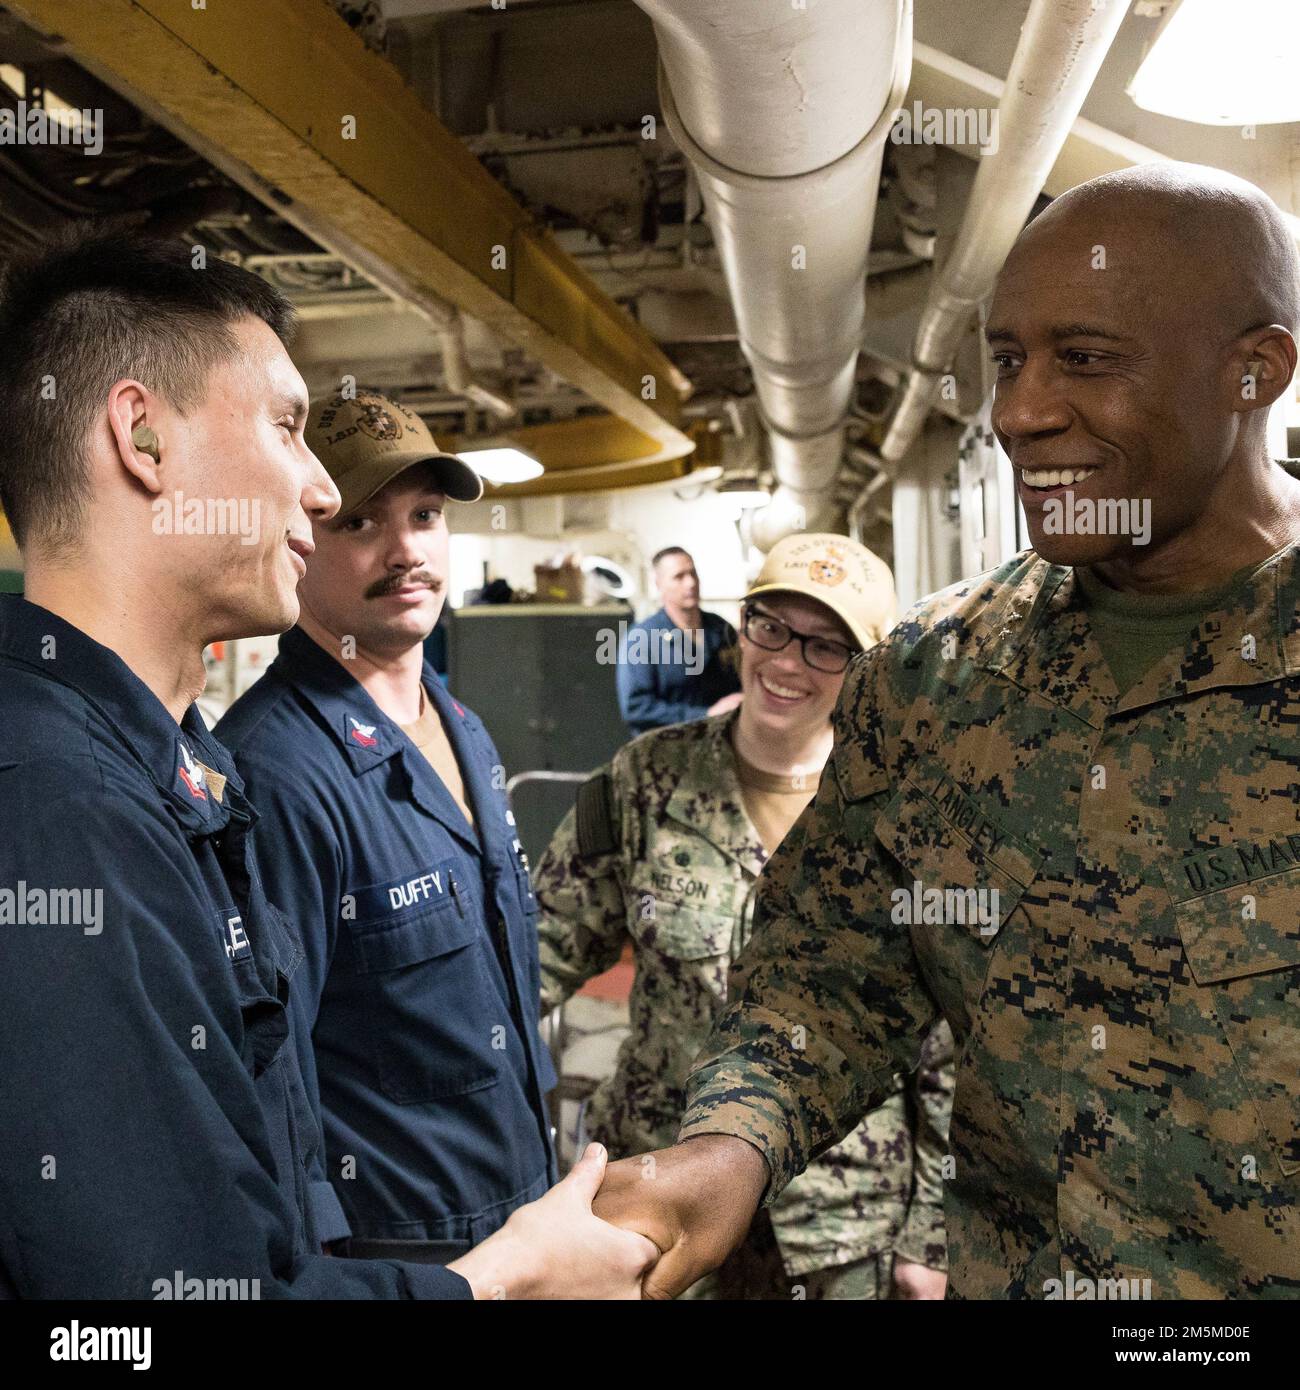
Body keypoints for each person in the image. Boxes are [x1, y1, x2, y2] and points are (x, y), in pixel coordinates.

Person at [587, 162, 1300, 1300]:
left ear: (1253, 370)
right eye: (1007, 360)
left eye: (1086, 358)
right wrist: (726, 1148)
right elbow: (826, 976)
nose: (1019, 411)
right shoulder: (932, 676)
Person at [0, 228, 654, 1299]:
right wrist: (499, 1282)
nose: (314, 488)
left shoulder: (172, 776)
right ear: (142, 436)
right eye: (289, 428)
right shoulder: (60, 814)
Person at [536, 533, 953, 1299]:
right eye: (771, 628)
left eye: (827, 646)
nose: (789, 662)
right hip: (665, 1186)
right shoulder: (646, 780)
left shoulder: (906, 807)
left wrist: (930, 1233)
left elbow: (948, 1038)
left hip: (842, 1208)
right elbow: (542, 950)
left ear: (870, 669)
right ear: (743, 630)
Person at [217, 390, 558, 1266]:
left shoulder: (462, 728)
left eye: (426, 516)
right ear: (302, 538)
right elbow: (267, 1071)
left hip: (519, 1215)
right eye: (362, 522)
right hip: (395, 1257)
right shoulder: (276, 773)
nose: (407, 551)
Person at [616, 546, 741, 734]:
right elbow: (636, 707)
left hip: (721, 742)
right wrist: (705, 714)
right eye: (679, 577)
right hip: (667, 748)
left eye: (693, 573)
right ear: (659, 584)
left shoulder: (720, 628)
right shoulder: (642, 639)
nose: (690, 583)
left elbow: (740, 680)